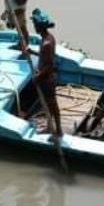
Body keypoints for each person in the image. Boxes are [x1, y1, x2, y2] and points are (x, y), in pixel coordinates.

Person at [31, 8, 62, 140]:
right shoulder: (47, 38)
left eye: (35, 25)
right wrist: (31, 52)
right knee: (49, 105)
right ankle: (50, 126)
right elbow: (44, 58)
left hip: (47, 80)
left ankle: (58, 130)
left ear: (39, 26)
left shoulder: (47, 43)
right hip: (45, 77)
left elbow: (49, 65)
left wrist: (37, 77)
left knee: (52, 104)